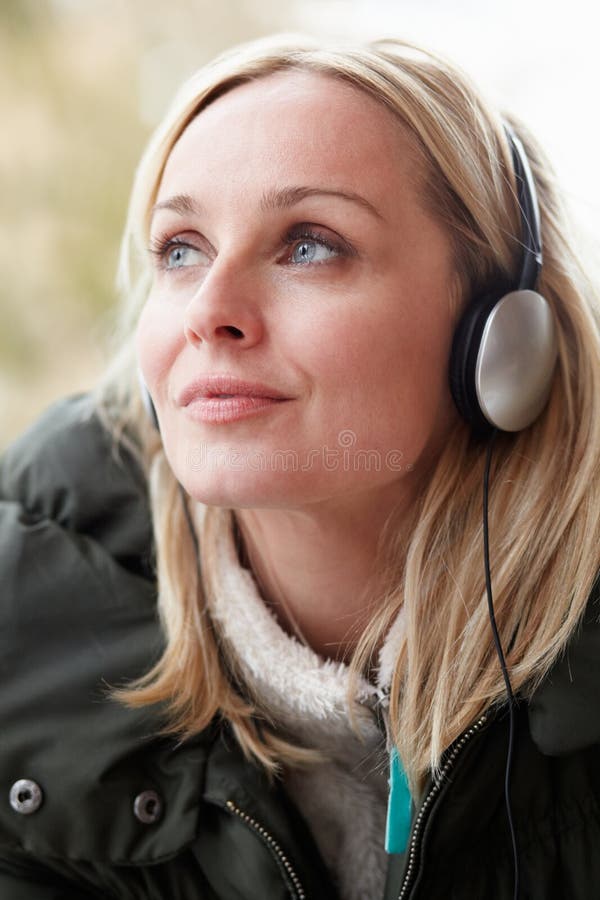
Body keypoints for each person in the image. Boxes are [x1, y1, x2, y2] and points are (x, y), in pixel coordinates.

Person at [1, 33, 599, 900]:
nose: (211, 312)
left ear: (503, 340)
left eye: (309, 244)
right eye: (181, 249)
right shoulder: (23, 633)